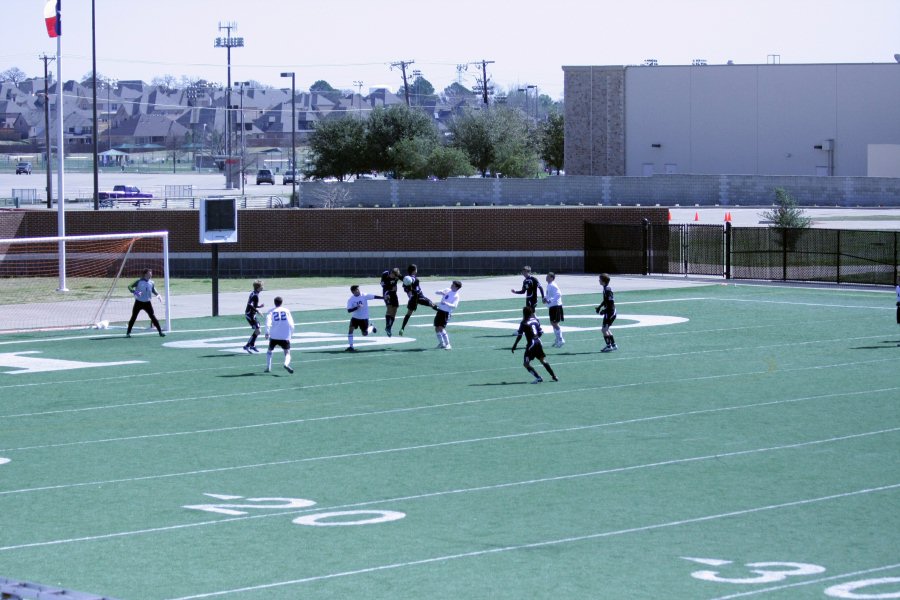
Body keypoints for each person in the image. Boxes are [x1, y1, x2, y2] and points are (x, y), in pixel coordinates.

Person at [511, 306, 558, 383]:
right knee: (542, 360)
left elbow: (519, 336)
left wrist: (514, 345)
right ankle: (554, 376)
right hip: (538, 342)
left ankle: (538, 377)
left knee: (526, 364)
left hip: (531, 344)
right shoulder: (535, 320)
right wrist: (535, 338)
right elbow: (540, 332)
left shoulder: (524, 323)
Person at [398, 264, 437, 336]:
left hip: (412, 299)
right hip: (419, 297)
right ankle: (444, 313)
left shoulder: (405, 280)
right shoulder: (414, 279)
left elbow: (402, 278)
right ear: (414, 271)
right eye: (416, 269)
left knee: (408, 314)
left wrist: (398, 274)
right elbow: (412, 280)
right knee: (432, 304)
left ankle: (402, 328)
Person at [126, 268, 165, 337]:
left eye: (151, 273)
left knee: (153, 317)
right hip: (138, 302)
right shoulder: (139, 281)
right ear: (145, 274)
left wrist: (158, 295)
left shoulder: (152, 282)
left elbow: (153, 289)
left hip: (147, 303)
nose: (151, 274)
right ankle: (128, 333)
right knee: (134, 317)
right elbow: (129, 286)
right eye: (150, 273)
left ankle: (160, 332)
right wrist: (135, 292)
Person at [345, 285, 382, 352]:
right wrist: (357, 307)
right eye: (357, 290)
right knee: (350, 330)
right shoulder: (351, 299)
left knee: (365, 334)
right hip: (355, 318)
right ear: (353, 292)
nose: (359, 290)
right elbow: (349, 310)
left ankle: (372, 327)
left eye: (358, 289)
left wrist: (384, 297)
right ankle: (351, 347)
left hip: (364, 318)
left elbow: (374, 296)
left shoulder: (364, 295)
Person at [264, 296, 295, 373]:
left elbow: (268, 322)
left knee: (269, 351)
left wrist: (267, 332)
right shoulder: (286, 311)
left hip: (274, 335)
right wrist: (291, 334)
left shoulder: (271, 311)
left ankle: (268, 367)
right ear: (282, 302)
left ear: (274, 303)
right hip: (284, 336)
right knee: (287, 352)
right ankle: (286, 364)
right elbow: (291, 324)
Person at [433, 280, 462, 349]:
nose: (451, 285)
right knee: (436, 328)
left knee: (441, 328)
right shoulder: (447, 290)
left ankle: (448, 344)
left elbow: (454, 306)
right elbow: (436, 292)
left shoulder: (456, 296)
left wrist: (446, 303)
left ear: (456, 287)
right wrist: (441, 292)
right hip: (440, 311)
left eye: (453, 285)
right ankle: (441, 343)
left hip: (446, 313)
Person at [595, 273, 618, 352]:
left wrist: (605, 311)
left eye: (600, 279)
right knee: (606, 329)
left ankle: (609, 346)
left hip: (610, 312)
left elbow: (610, 302)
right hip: (609, 312)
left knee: (604, 330)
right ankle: (613, 344)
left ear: (603, 281)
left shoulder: (607, 290)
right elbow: (605, 300)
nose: (599, 280)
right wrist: (599, 307)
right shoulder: (606, 289)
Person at [543, 272, 565, 348]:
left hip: (556, 306)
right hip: (552, 306)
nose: (546, 277)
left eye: (548, 276)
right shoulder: (549, 285)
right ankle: (558, 339)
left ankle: (561, 340)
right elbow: (550, 295)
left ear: (552, 278)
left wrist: (550, 300)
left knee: (555, 323)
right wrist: (545, 299)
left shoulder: (553, 285)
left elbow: (558, 294)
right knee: (553, 323)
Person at [243, 280, 265, 353]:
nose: (263, 287)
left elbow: (252, 305)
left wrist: (259, 306)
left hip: (252, 314)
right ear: (258, 287)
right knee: (258, 330)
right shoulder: (255, 295)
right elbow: (250, 304)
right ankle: (248, 345)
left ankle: (251, 345)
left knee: (258, 330)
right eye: (262, 286)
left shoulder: (255, 293)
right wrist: (258, 311)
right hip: (250, 315)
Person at [380, 267, 402, 336]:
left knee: (394, 310)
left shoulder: (397, 276)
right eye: (394, 276)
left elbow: (404, 280)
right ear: (391, 273)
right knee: (389, 308)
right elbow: (382, 284)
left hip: (394, 294)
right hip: (387, 292)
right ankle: (387, 326)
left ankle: (389, 327)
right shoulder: (385, 274)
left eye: (396, 276)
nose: (395, 277)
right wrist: (391, 288)